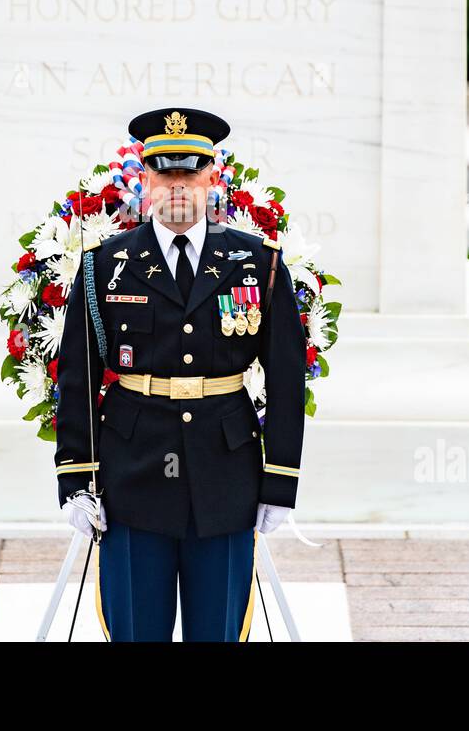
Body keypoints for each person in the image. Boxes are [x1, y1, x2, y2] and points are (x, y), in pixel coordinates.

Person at [53, 106, 308, 641]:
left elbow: (286, 377)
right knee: (136, 629)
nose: (177, 186)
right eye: (163, 173)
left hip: (226, 472)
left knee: (216, 630)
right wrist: (76, 478)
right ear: (143, 180)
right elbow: (77, 375)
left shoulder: (255, 261)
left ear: (212, 177)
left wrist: (280, 481)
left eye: (189, 172)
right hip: (133, 472)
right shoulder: (105, 263)